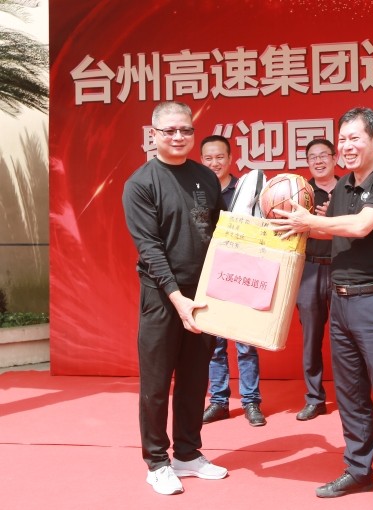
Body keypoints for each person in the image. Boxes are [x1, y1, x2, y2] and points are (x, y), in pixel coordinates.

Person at [272, 107, 373, 510]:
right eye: (343, 140)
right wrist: (284, 223)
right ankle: (359, 468)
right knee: (350, 394)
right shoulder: (344, 187)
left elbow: (360, 226)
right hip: (341, 300)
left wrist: (309, 222)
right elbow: (327, 233)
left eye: (355, 139)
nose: (347, 147)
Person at [122, 101, 228, 495]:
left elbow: (222, 232)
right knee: (156, 382)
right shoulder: (141, 183)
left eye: (185, 129)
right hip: (162, 297)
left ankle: (187, 453)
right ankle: (156, 462)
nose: (178, 136)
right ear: (154, 134)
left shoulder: (206, 177)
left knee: (195, 378)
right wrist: (176, 297)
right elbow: (149, 248)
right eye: (169, 130)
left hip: (203, 295)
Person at [199, 135, 266, 427]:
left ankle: (251, 402)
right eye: (208, 158)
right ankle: (219, 401)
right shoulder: (197, 191)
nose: (214, 163)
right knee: (214, 345)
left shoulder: (246, 191)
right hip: (208, 275)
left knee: (245, 343)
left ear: (230, 159)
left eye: (220, 157)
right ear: (202, 160)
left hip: (242, 276)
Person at [295, 139, 339, 421]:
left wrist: (329, 221)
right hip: (309, 269)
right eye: (313, 157)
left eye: (324, 155)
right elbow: (288, 227)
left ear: (335, 158)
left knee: (347, 337)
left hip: (343, 268)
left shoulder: (349, 190)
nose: (319, 161)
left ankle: (352, 395)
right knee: (311, 338)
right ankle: (315, 398)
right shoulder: (301, 194)